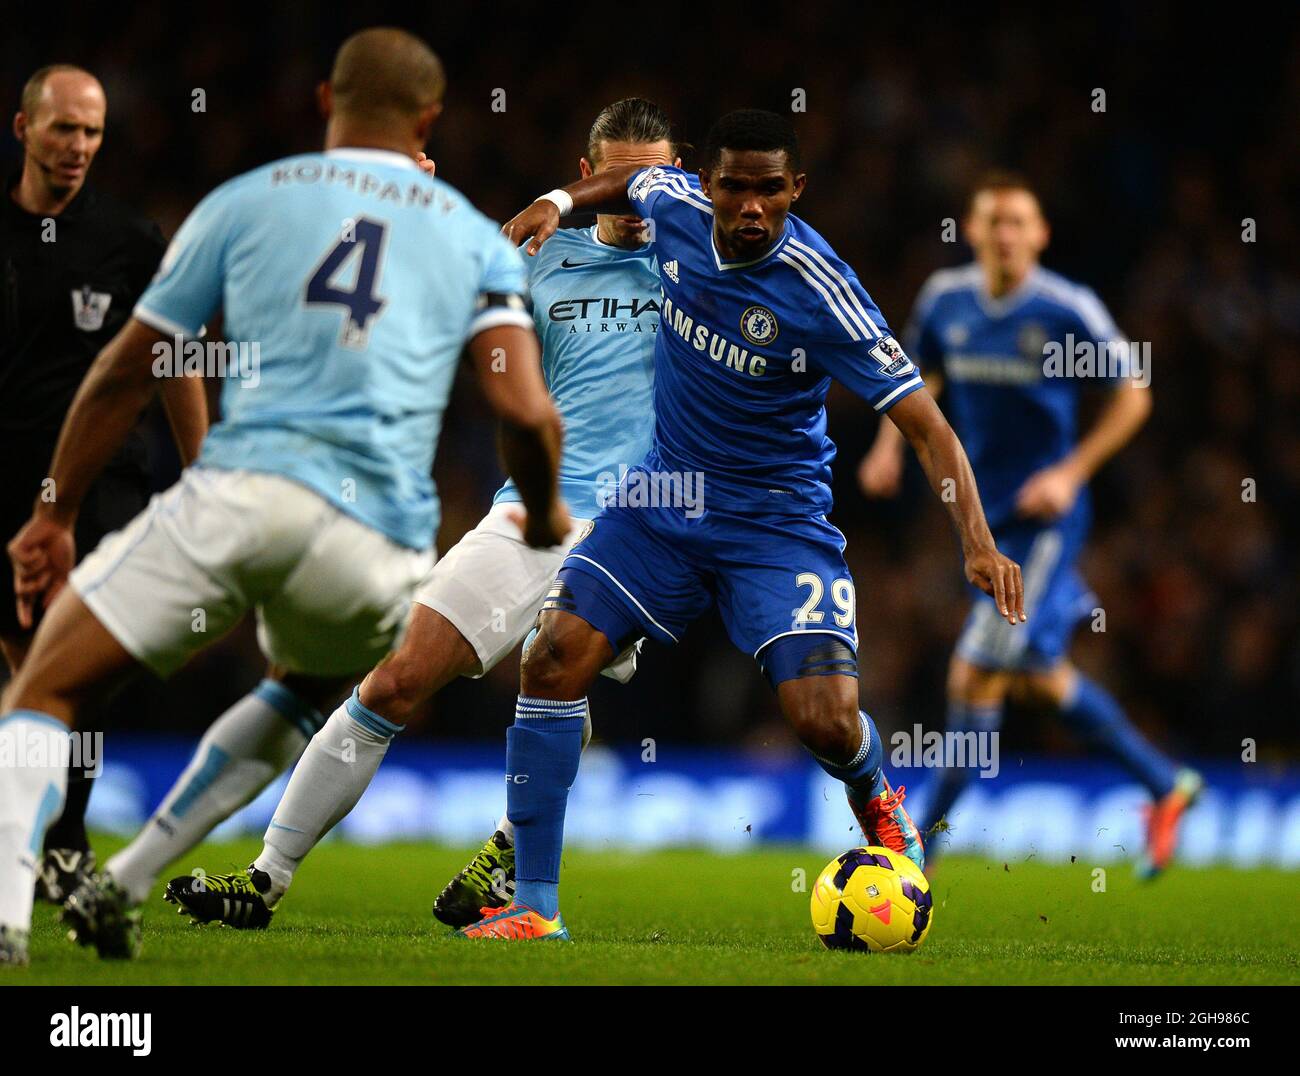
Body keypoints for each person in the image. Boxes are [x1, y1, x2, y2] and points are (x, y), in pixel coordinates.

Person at [0, 26, 564, 967]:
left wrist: (55, 513)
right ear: (428, 120)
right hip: (377, 543)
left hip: (244, 491)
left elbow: (124, 371)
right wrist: (545, 516)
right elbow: (525, 413)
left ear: (322, 103)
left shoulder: (243, 201)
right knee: (303, 688)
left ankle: (9, 915)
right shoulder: (474, 237)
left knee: (46, 684)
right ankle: (131, 876)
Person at [462, 109, 1024, 941]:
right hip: (662, 503)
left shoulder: (820, 289)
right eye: (735, 187)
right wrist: (557, 200)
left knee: (824, 720)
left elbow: (928, 427)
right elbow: (628, 179)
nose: (751, 206)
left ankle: (874, 791)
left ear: (795, 189)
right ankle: (536, 908)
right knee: (550, 660)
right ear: (709, 185)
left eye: (770, 190)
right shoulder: (676, 209)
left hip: (775, 523)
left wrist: (977, 543)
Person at [150, 98, 676, 932]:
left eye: (655, 180)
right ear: (588, 177)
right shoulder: (539, 259)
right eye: (619, 178)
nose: (634, 195)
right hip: (532, 513)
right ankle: (266, 878)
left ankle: (516, 857)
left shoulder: (703, 268)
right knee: (393, 679)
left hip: (642, 527)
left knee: (554, 673)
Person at [859, 172, 1201, 876]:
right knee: (1041, 678)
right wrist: (889, 446)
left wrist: (1071, 473)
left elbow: (1134, 393)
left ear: (1040, 234)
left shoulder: (1065, 308)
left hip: (1047, 522)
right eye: (993, 221)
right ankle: (1167, 785)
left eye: (1019, 222)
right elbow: (918, 377)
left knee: (973, 672)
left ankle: (918, 843)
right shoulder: (945, 300)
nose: (1006, 234)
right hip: (983, 517)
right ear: (973, 230)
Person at [1, 63, 207, 903]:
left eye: (91, 132)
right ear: (23, 129)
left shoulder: (128, 240)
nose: (78, 146)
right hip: (4, 482)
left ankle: (61, 840)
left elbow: (177, 353)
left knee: (67, 668)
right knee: (21, 673)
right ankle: (48, 839)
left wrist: (205, 471)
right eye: (63, 129)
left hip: (96, 488)